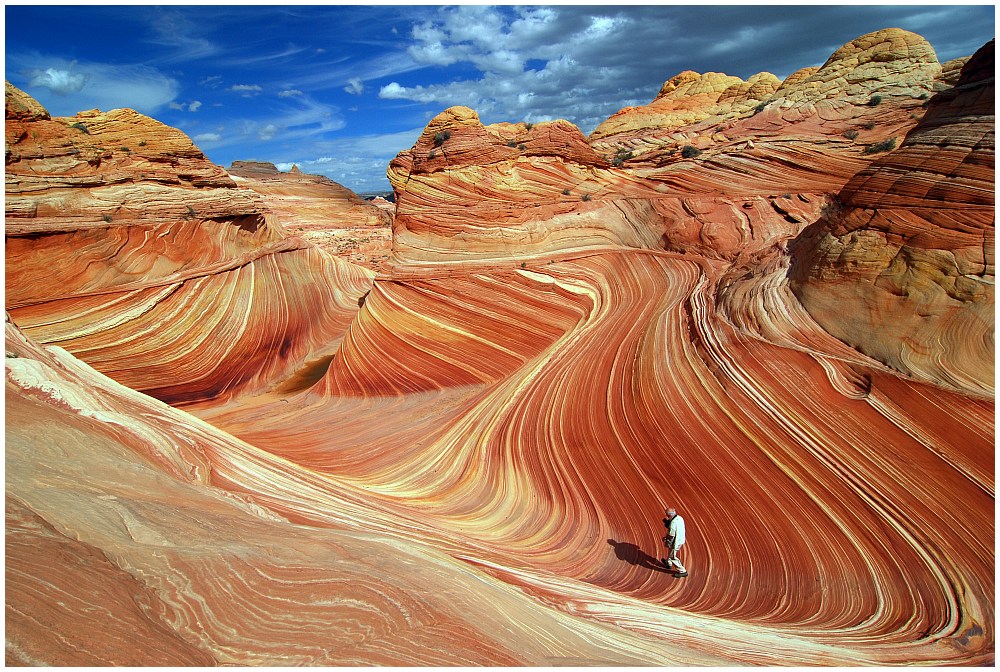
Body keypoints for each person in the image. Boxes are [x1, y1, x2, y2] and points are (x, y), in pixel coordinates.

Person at [662, 507, 688, 577]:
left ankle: (682, 571)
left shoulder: (673, 523)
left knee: (672, 555)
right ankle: (668, 563)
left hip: (676, 541)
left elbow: (671, 535)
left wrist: (665, 539)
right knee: (670, 551)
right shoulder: (680, 518)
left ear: (669, 515)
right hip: (681, 538)